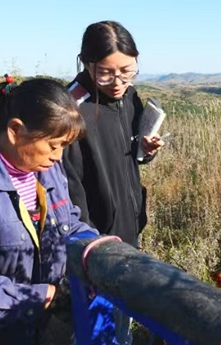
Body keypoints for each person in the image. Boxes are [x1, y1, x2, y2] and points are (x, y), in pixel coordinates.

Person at [0, 78, 95, 345]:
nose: (58, 157)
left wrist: (98, 248)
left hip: (37, 330)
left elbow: (68, 221)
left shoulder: (44, 168)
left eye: (64, 147)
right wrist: (42, 297)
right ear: (15, 130)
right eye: (53, 145)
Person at [63, 21, 164, 248]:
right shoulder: (71, 110)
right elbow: (70, 187)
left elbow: (133, 152)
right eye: (106, 74)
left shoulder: (130, 96)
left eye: (128, 71)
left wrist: (146, 151)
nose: (118, 83)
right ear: (86, 63)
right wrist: (89, 238)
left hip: (130, 226)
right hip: (95, 238)